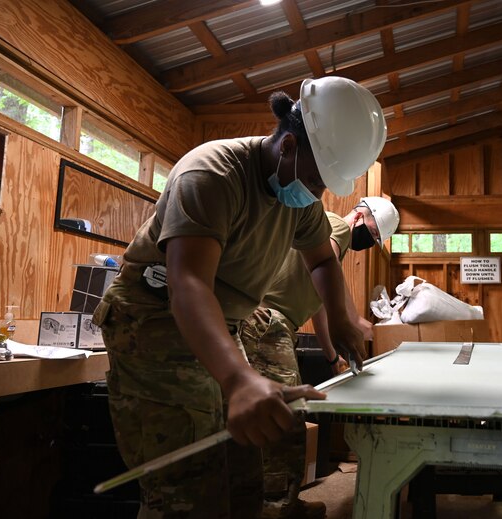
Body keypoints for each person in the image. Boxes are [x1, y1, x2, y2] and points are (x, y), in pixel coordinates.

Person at [92, 76, 387, 518]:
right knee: (189, 492)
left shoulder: (300, 199)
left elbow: (322, 261)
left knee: (246, 473)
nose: (315, 193)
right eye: (313, 178)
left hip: (220, 325)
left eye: (324, 184)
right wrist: (237, 380)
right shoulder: (211, 174)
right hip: (153, 322)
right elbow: (187, 283)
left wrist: (342, 319)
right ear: (287, 145)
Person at [239, 197, 400, 519]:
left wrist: (332, 359)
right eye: (370, 232)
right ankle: (276, 509)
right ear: (357, 216)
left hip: (274, 324)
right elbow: (329, 290)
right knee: (284, 418)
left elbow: (320, 307)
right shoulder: (335, 223)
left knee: (276, 416)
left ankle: (280, 502)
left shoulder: (324, 261)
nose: (367, 242)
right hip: (265, 323)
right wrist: (351, 319)